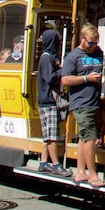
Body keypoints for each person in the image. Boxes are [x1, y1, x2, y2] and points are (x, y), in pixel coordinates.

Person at [60, 23, 104, 186]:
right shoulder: (73, 56)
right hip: (81, 102)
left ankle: (80, 171)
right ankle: (92, 175)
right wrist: (87, 78)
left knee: (84, 138)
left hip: (95, 101)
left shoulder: (98, 52)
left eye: (95, 43)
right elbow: (65, 79)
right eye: (90, 43)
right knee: (91, 138)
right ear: (82, 39)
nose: (93, 46)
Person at [36, 25, 71, 176]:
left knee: (47, 134)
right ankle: (56, 165)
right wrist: (63, 70)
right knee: (52, 136)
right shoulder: (46, 58)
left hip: (45, 100)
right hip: (48, 101)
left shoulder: (47, 58)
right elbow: (50, 77)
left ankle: (44, 162)